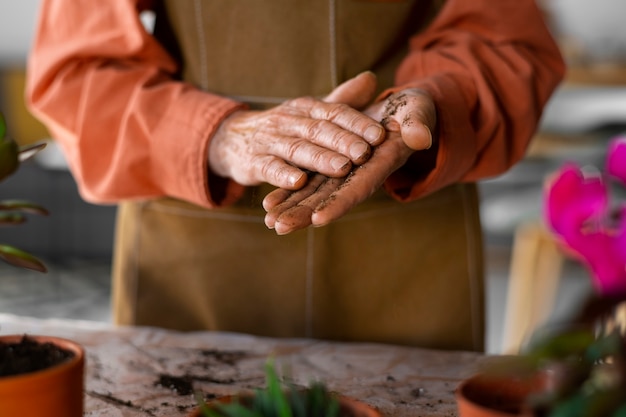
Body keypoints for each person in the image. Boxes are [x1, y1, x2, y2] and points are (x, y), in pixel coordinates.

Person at [25, 0, 565, 352]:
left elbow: (508, 45)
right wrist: (214, 134)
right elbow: (76, 74)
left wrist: (435, 101)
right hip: (195, 264)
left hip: (413, 258)